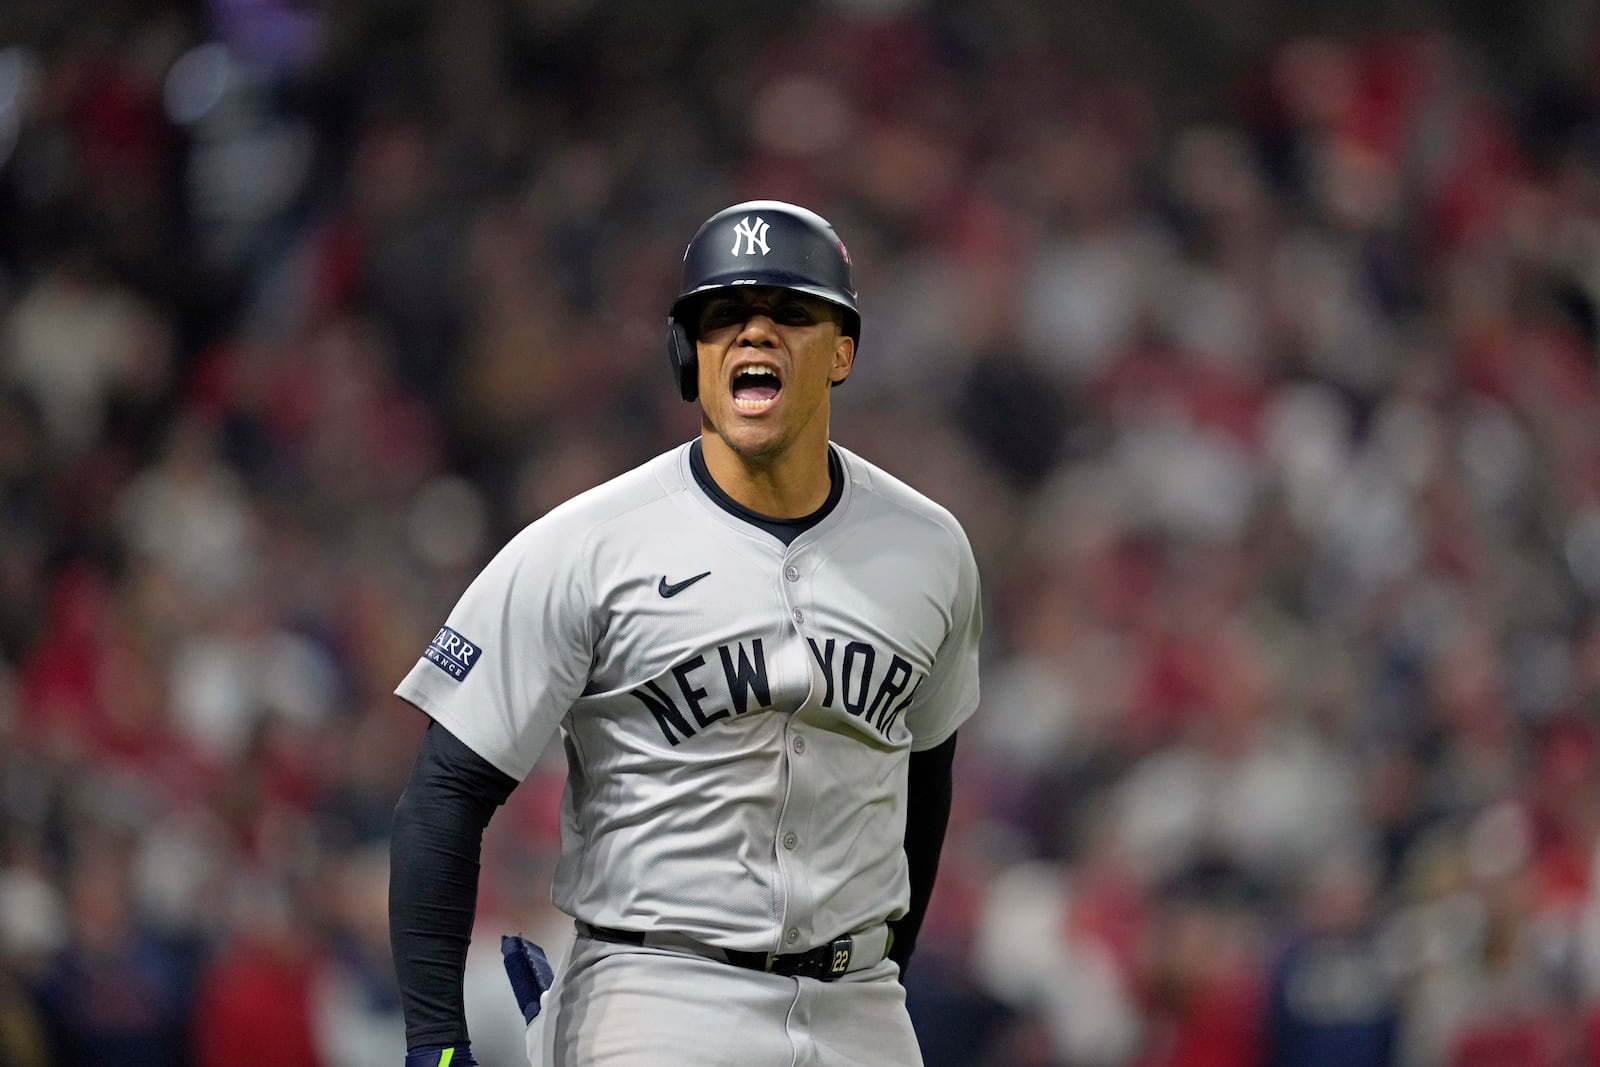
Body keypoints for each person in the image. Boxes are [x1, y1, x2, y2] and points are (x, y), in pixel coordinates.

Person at [388, 200, 983, 1067]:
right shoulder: (586, 544)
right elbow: (443, 795)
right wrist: (436, 1047)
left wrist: (884, 966)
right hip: (657, 1000)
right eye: (723, 316)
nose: (754, 334)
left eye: (788, 312)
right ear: (687, 356)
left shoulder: (930, 548)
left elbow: (925, 779)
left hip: (862, 1010)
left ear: (843, 349)